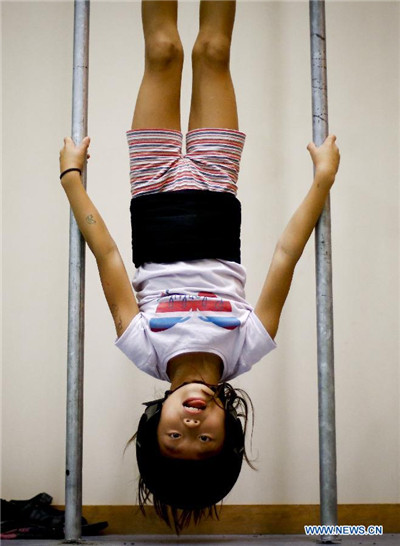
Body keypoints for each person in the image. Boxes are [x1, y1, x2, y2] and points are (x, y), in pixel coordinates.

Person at [59, 0, 340, 533]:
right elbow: (285, 254)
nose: (191, 424)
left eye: (175, 437)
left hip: (154, 180)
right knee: (212, 51)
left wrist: (72, 179)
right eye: (206, 438)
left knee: (163, 51)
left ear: (152, 425)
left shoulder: (143, 345)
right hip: (215, 180)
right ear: (230, 428)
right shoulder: (247, 345)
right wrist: (322, 181)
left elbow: (110, 255)